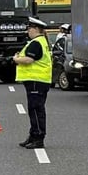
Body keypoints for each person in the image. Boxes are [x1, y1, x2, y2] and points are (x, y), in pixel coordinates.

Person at [12, 16, 53, 149]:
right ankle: (33, 135)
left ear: (35, 29)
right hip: (39, 80)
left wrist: (17, 59)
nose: (28, 31)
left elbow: (29, 60)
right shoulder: (41, 41)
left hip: (37, 80)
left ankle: (38, 137)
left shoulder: (36, 43)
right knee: (35, 109)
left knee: (36, 109)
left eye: (29, 28)